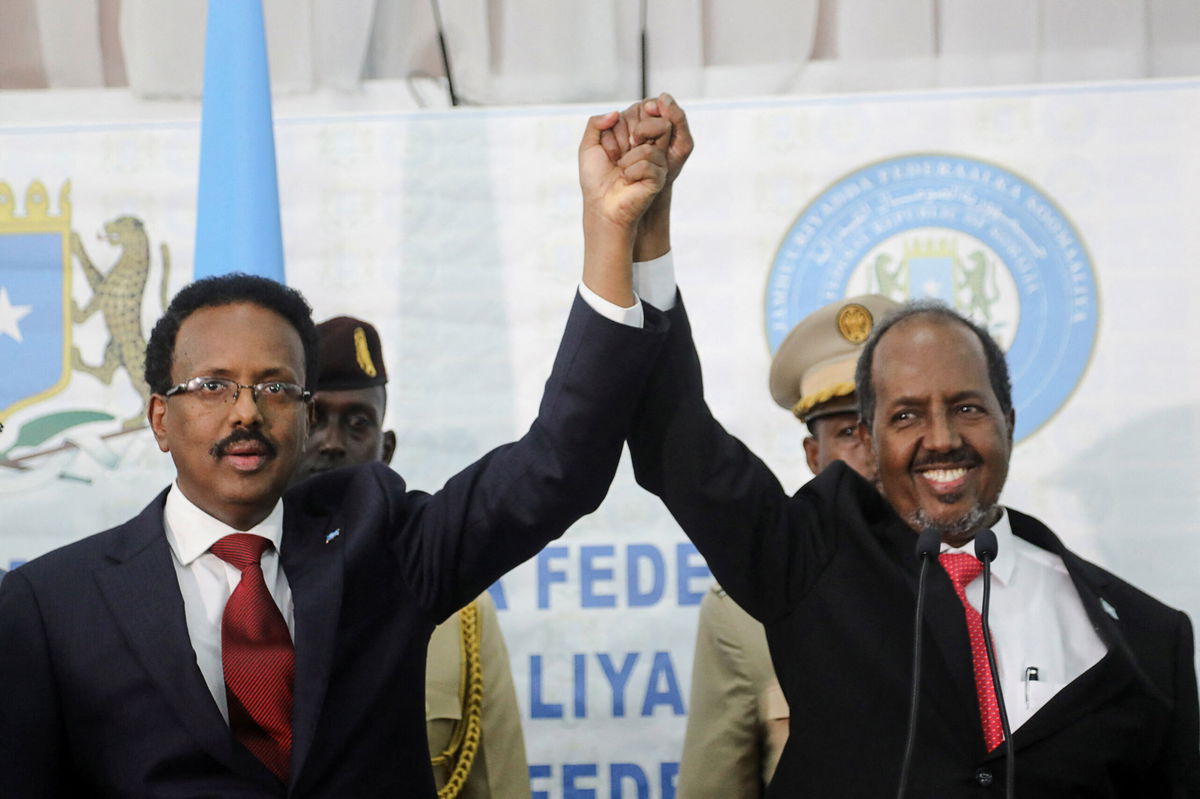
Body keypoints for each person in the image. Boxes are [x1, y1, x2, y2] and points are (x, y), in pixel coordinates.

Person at [0, 108, 674, 797]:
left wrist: (611, 231)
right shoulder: (52, 606)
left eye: (276, 386)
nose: (245, 411)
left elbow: (559, 464)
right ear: (160, 417)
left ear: (299, 411)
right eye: (213, 386)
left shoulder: (383, 544)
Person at [613, 96, 1200, 796]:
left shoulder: (1145, 638)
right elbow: (675, 439)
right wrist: (646, 230)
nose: (941, 438)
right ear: (870, 437)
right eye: (906, 416)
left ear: (1009, 419)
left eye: (967, 407)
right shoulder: (811, 564)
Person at [295, 314, 529, 799]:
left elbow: (494, 778)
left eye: (358, 423)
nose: (332, 443)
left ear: (387, 449)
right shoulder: (228, 586)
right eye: (314, 419)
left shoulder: (455, 607)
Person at [677, 293, 898, 799]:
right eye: (847, 432)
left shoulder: (985, 581)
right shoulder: (744, 612)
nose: (872, 451)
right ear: (813, 455)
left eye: (890, 422)